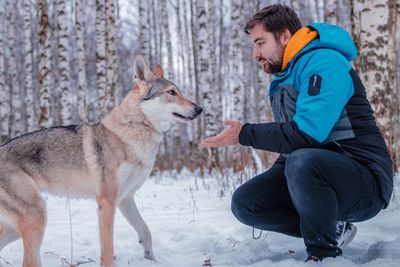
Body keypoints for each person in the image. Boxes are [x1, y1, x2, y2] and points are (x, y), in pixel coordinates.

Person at [201, 4, 393, 262]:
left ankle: (324, 255)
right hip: (317, 170)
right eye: (253, 46)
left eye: (260, 43)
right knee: (247, 202)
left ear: (284, 36)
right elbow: (293, 147)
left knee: (304, 161)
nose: (255, 54)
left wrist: (245, 134)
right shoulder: (284, 78)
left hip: (365, 180)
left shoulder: (324, 62)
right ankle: (333, 228)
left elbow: (307, 135)